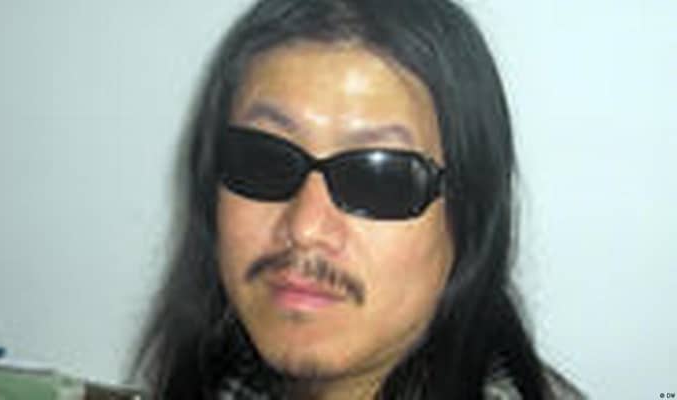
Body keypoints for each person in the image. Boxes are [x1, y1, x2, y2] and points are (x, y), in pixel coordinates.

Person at [135, 0, 585, 399]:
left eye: (379, 179)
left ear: (470, 216)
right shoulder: (224, 374)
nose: (305, 227)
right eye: (264, 159)